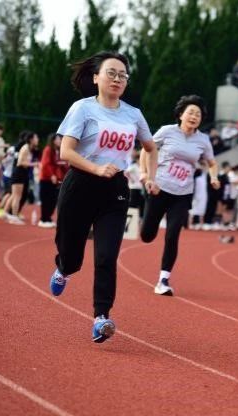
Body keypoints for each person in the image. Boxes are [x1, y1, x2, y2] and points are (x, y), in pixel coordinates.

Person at [48, 51, 157, 343]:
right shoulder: (82, 109)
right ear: (96, 77)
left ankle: (101, 317)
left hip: (114, 190)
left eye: (123, 75)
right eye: (111, 73)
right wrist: (96, 168)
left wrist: (150, 176)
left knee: (107, 256)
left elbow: (151, 147)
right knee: (72, 255)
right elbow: (66, 151)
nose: (117, 79)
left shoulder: (133, 114)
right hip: (80, 184)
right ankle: (63, 269)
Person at [139, 95, 220, 296]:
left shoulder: (203, 140)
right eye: (190, 112)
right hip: (159, 188)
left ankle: (163, 280)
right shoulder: (167, 131)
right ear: (181, 114)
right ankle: (148, 229)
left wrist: (214, 177)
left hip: (183, 193)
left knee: (173, 234)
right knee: (147, 235)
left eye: (198, 114)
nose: (194, 117)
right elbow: (147, 149)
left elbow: (212, 163)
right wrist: (145, 174)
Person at [5, 131, 39, 225]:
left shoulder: (29, 148)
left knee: (14, 195)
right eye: (36, 138)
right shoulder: (25, 148)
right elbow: (20, 162)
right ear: (31, 139)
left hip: (21, 172)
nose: (38, 140)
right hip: (19, 172)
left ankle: (6, 213)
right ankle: (14, 216)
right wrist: (33, 164)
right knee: (17, 196)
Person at [38, 134, 67, 227]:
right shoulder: (48, 149)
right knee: (46, 199)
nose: (60, 141)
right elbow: (45, 164)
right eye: (58, 139)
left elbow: (60, 163)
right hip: (46, 179)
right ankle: (43, 219)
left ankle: (48, 218)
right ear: (53, 140)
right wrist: (51, 175)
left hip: (55, 179)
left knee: (53, 200)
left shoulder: (57, 151)